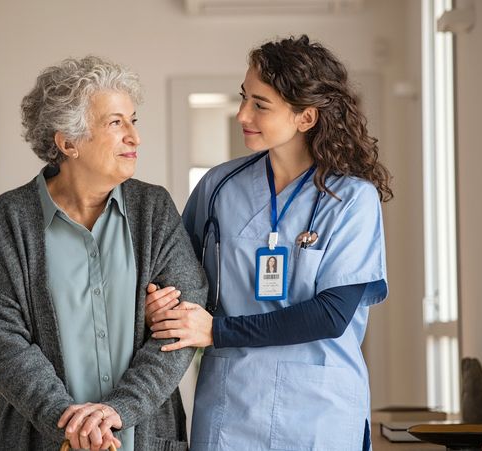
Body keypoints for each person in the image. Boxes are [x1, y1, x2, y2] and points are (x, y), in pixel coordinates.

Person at [145, 35, 392, 450]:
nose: (242, 113)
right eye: (244, 98)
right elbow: (177, 274)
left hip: (319, 411)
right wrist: (162, 302)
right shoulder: (218, 187)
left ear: (306, 117)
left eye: (260, 104)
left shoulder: (351, 199)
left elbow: (331, 315)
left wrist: (216, 331)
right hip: (231, 406)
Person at [0, 56, 207, 451]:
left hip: (144, 438)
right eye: (116, 123)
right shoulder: (11, 219)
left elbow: (182, 324)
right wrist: (69, 424)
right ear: (68, 143)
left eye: (133, 120)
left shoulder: (154, 209)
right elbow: (2, 341)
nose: (134, 137)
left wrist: (119, 411)